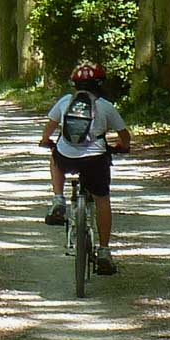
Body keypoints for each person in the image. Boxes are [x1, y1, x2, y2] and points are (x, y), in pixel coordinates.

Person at [40, 62, 131, 275]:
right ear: (100, 84)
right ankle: (104, 252)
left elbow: (50, 128)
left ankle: (58, 199)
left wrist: (46, 140)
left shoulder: (65, 101)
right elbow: (124, 135)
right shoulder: (106, 106)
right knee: (102, 199)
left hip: (67, 156)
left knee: (55, 158)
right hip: (95, 160)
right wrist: (123, 147)